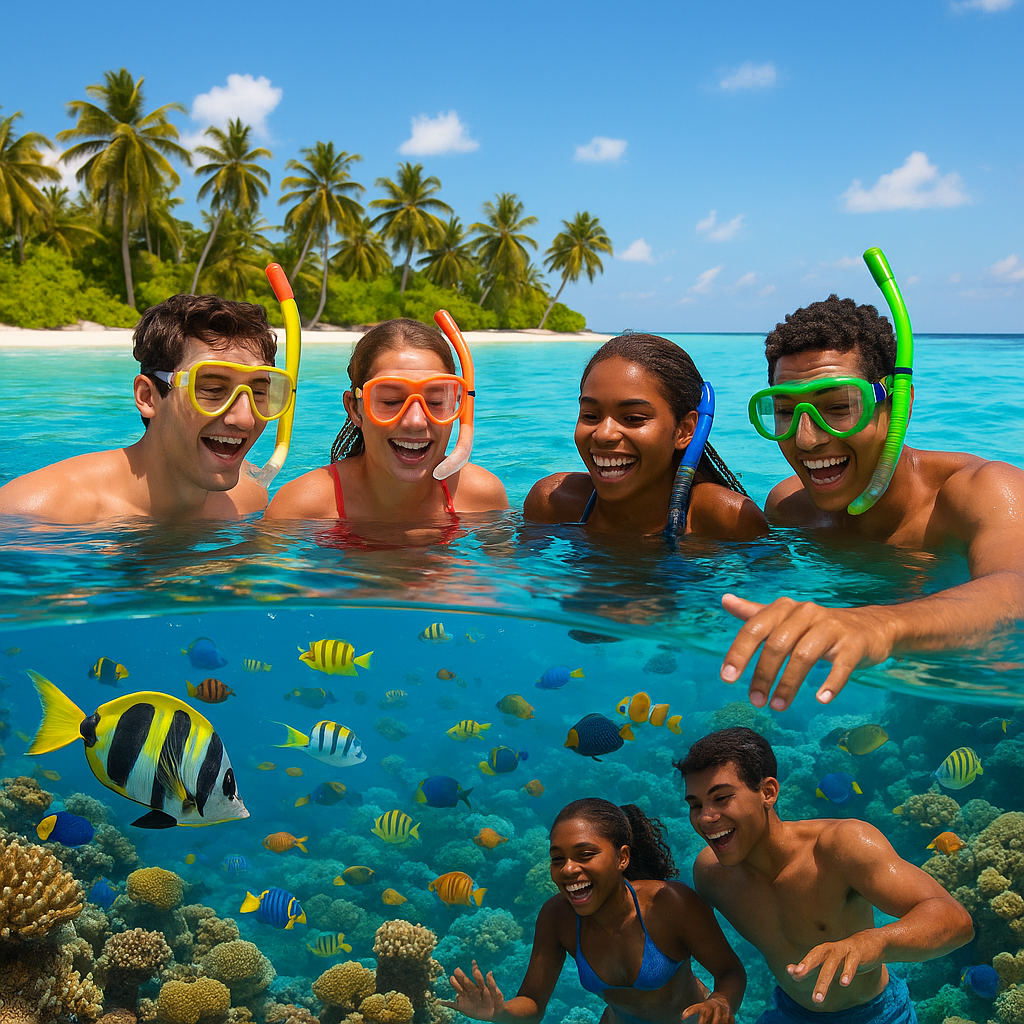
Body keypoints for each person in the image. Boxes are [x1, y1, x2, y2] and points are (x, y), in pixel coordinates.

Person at [720, 293, 1024, 711]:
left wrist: (877, 622)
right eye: (786, 411)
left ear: (900, 405)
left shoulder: (983, 491)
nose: (807, 439)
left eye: (840, 406)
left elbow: (1015, 589)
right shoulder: (790, 507)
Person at [676, 727, 974, 1023]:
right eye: (696, 805)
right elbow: (717, 963)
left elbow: (955, 920)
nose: (706, 818)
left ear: (768, 792)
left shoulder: (841, 846)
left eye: (722, 798)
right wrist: (722, 1000)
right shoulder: (710, 873)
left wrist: (873, 942)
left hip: (877, 1014)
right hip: (788, 1012)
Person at [444, 797, 745, 1024]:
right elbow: (533, 1002)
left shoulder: (670, 903)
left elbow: (730, 971)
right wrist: (501, 1011)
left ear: (622, 857)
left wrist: (721, 1002)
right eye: (557, 859)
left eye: (585, 855)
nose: (569, 869)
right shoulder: (556, 918)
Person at [0, 294, 285, 523]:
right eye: (211, 390)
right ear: (148, 397)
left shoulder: (249, 499)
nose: (245, 419)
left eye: (259, 391)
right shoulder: (36, 514)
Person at [265, 317, 507, 532]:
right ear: (354, 409)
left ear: (457, 405)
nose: (415, 421)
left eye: (435, 401)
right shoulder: (301, 508)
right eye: (391, 401)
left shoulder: (481, 497)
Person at [525, 333, 766, 541]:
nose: (604, 434)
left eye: (633, 418)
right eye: (590, 415)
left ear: (684, 430)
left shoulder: (728, 521)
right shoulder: (553, 503)